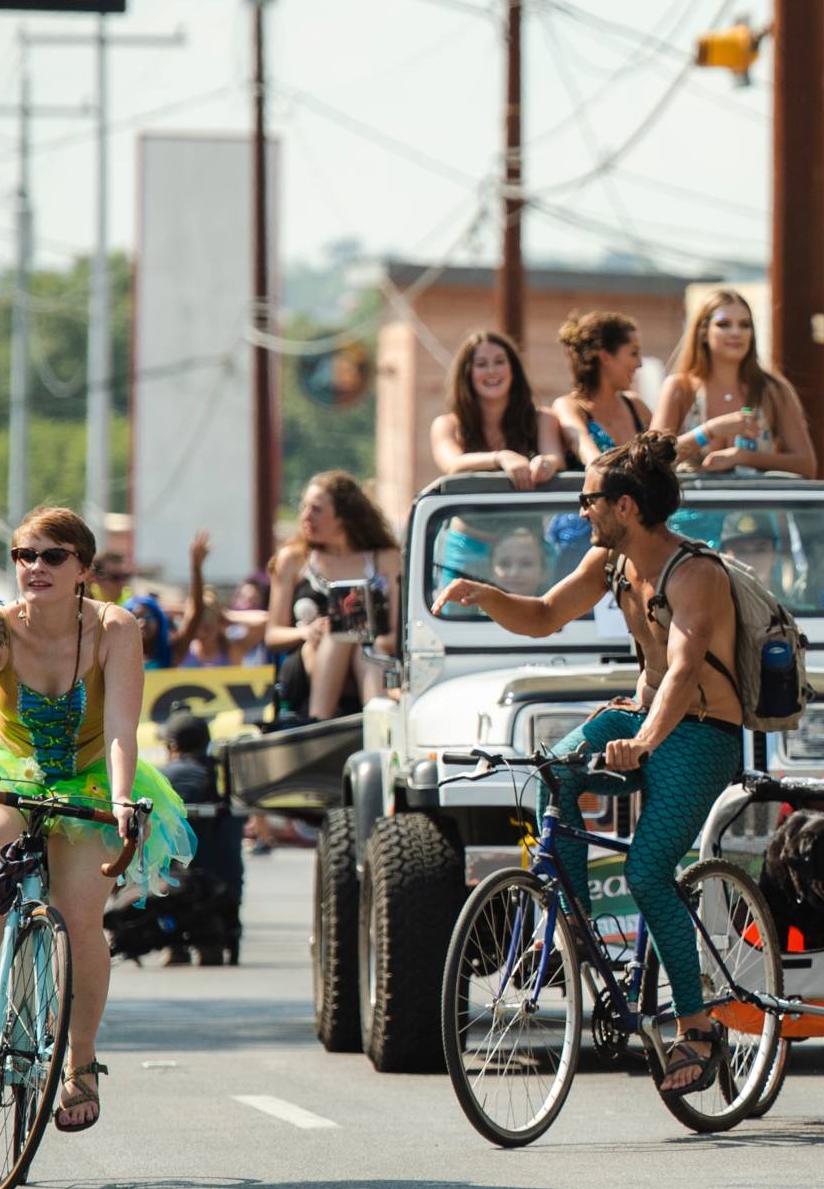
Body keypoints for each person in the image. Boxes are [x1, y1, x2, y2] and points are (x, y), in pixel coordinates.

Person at [441, 432, 743, 1099]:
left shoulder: (696, 574)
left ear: (627, 506)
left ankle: (697, 1027)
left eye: (589, 500)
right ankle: (570, 922)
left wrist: (645, 742)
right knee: (556, 765)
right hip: (645, 717)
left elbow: (686, 670)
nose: (580, 512)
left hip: (701, 734)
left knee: (646, 871)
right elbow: (547, 615)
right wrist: (484, 594)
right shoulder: (610, 561)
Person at [0, 508, 196, 1131]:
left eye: (51, 556)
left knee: (79, 914)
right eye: (23, 555)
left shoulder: (115, 628)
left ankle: (80, 1064)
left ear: (83, 568)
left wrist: (123, 798)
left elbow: (124, 728)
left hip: (92, 774)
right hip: (10, 767)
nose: (34, 568)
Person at [263, 472, 401, 724]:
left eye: (315, 509)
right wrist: (306, 632)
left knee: (359, 638)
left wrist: (370, 638)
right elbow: (272, 635)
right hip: (308, 662)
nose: (305, 516)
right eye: (304, 507)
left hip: (370, 657)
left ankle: (379, 726)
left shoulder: (385, 559)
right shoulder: (294, 560)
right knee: (339, 632)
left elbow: (397, 634)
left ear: (343, 516)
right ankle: (319, 721)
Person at [656, 288, 817, 477]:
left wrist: (741, 457)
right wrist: (709, 431)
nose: (736, 332)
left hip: (758, 506)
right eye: (724, 324)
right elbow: (650, 461)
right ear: (703, 332)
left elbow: (806, 465)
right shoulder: (680, 388)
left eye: (744, 325)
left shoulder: (774, 390)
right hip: (692, 505)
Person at [149, 710, 244, 967]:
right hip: (227, 887)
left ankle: (175, 944)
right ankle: (213, 940)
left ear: (172, 746)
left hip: (181, 888)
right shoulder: (228, 778)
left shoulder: (164, 778)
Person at [431, 330, 566, 491]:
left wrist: (545, 463)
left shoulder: (543, 419)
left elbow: (555, 458)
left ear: (513, 370)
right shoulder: (447, 425)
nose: (492, 371)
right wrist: (501, 457)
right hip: (469, 514)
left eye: (500, 362)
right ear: (467, 374)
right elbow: (453, 464)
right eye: (481, 364)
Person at [549, 309, 651, 461]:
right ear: (605, 356)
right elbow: (586, 451)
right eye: (634, 353)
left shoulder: (636, 405)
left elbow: (668, 449)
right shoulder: (569, 406)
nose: (640, 363)